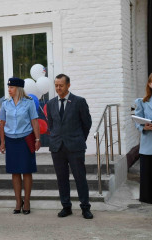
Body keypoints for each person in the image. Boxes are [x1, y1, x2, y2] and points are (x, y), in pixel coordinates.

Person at [46, 74, 93, 219]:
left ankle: (85, 207)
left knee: (80, 178)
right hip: (57, 147)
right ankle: (66, 206)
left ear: (68, 85)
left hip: (75, 147)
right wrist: (55, 138)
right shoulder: (51, 103)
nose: (58, 88)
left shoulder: (79, 101)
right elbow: (52, 125)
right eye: (56, 85)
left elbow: (87, 123)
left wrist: (78, 139)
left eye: (61, 85)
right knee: (62, 178)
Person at [0, 77, 41, 215]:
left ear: (18, 88)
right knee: (15, 172)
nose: (9, 90)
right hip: (11, 141)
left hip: (25, 140)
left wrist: (37, 139)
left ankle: (27, 201)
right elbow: (2, 124)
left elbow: (34, 121)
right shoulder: (5, 104)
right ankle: (18, 201)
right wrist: (2, 142)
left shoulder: (28, 103)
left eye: (11, 87)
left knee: (27, 171)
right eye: (8, 87)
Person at [134, 73, 152, 204]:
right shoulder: (143, 102)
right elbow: (136, 120)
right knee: (147, 174)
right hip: (148, 144)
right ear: (149, 84)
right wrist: (143, 128)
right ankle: (147, 198)